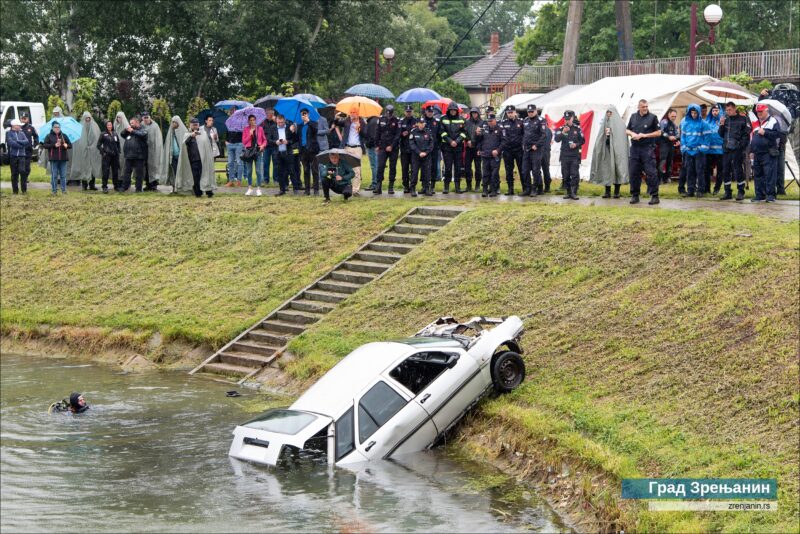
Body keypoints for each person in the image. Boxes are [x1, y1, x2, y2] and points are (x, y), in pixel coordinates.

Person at [625, 99, 661, 205]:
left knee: (651, 172)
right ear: (638, 107)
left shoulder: (653, 117)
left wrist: (644, 135)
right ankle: (635, 195)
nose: (645, 108)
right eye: (643, 107)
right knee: (634, 172)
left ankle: (655, 196)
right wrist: (632, 134)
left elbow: (659, 132)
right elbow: (627, 130)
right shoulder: (633, 117)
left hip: (647, 148)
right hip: (635, 148)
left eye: (646, 106)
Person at [590, 106, 629, 198]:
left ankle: (617, 191)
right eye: (607, 113)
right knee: (606, 169)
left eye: (610, 113)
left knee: (617, 169)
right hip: (606, 151)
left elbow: (622, 140)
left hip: (617, 152)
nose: (608, 115)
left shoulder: (621, 125)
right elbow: (600, 138)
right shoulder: (604, 124)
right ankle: (607, 191)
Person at [717, 101, 750, 201]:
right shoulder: (725, 120)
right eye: (726, 110)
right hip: (726, 148)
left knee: (738, 170)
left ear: (735, 108)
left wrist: (740, 146)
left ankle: (741, 191)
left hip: (737, 149)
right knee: (726, 170)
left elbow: (746, 135)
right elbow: (721, 134)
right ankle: (727, 192)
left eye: (730, 110)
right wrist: (721, 125)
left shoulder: (743, 119)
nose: (728, 112)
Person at [176, 117, 216, 198]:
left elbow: (207, 145)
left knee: (205, 175)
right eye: (193, 125)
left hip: (203, 159)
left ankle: (209, 192)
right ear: (190, 125)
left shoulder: (203, 133)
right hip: (193, 159)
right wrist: (191, 136)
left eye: (196, 125)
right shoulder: (187, 134)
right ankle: (198, 193)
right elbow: (184, 144)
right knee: (195, 177)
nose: (195, 126)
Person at [749, 103, 781, 203]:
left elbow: (778, 134)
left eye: (761, 112)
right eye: (758, 112)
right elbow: (752, 138)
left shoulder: (773, 121)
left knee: (770, 175)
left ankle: (771, 195)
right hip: (757, 153)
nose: (759, 113)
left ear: (766, 111)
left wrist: (765, 132)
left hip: (768, 153)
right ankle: (759, 195)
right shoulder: (755, 123)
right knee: (758, 175)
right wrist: (751, 151)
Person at [679, 103, 710, 198]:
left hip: (699, 151)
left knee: (700, 171)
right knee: (689, 171)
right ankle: (690, 190)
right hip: (688, 151)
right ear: (689, 112)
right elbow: (683, 136)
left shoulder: (704, 124)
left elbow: (707, 137)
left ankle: (701, 190)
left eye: (695, 113)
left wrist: (702, 148)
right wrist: (684, 148)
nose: (694, 115)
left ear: (699, 113)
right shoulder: (685, 123)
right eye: (692, 113)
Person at [554, 110, 584, 200]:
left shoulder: (577, 128)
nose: (567, 121)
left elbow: (583, 140)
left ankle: (574, 192)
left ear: (572, 118)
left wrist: (576, 144)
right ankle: (568, 192)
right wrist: (563, 132)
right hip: (564, 155)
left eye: (568, 119)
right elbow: (556, 139)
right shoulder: (561, 128)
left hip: (574, 155)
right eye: (565, 119)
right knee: (565, 175)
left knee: (574, 174)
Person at [438, 102, 467, 194]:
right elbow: (441, 132)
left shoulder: (462, 119)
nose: (453, 112)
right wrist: (450, 141)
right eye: (451, 110)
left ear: (457, 111)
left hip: (458, 147)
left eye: (455, 110)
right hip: (447, 147)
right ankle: (446, 187)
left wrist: (457, 141)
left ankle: (457, 187)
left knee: (458, 168)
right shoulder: (443, 119)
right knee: (448, 167)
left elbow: (464, 133)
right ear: (449, 110)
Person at [70, 111, 102, 191]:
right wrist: (83, 147)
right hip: (83, 151)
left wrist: (92, 146)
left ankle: (92, 185)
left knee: (92, 168)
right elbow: (77, 141)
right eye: (86, 118)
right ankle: (84, 185)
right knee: (84, 167)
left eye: (89, 118)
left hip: (93, 152)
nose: (87, 120)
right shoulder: (80, 127)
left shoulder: (95, 126)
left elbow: (98, 138)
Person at [270, 113, 299, 195]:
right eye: (278, 122)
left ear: (284, 121)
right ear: (276, 121)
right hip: (278, 153)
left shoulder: (290, 127)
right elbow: (269, 140)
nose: (280, 124)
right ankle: (282, 189)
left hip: (288, 152)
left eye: (281, 122)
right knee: (280, 172)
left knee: (292, 170)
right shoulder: (273, 128)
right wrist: (275, 142)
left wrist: (288, 142)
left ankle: (295, 189)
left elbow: (295, 139)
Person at [521, 104, 547, 196]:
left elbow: (544, 135)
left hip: (536, 149)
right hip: (527, 149)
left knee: (536, 170)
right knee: (524, 170)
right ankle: (527, 188)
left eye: (532, 111)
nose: (530, 113)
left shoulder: (541, 120)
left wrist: (537, 145)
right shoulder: (525, 120)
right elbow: (524, 134)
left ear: (536, 111)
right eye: (529, 112)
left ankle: (535, 188)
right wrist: (523, 144)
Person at [340, 109, 367, 195]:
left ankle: (355, 189)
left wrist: (359, 129)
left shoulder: (362, 122)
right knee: (347, 168)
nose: (352, 114)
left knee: (356, 169)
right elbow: (337, 123)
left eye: (354, 113)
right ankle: (348, 187)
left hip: (357, 148)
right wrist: (336, 117)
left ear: (358, 114)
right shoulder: (347, 121)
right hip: (347, 147)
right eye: (351, 113)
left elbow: (366, 134)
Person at [476, 113, 503, 197]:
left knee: (494, 173)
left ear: (495, 120)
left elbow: (504, 142)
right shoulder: (484, 129)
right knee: (485, 173)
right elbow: (480, 141)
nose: (489, 122)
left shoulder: (500, 129)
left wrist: (498, 150)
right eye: (488, 121)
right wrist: (479, 149)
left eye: (491, 121)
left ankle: (493, 190)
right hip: (485, 154)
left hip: (495, 155)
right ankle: (484, 190)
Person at [119, 116, 149, 192]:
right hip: (129, 155)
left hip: (139, 156)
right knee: (127, 173)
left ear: (137, 122)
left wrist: (132, 131)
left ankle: (138, 189)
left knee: (139, 174)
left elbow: (143, 135)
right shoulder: (129, 130)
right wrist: (127, 129)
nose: (130, 124)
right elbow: (122, 134)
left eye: (132, 123)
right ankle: (125, 187)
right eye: (130, 123)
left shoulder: (143, 129)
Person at [500, 105, 524, 195]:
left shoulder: (521, 122)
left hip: (518, 150)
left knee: (522, 169)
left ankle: (525, 188)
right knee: (508, 170)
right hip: (508, 150)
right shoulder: (503, 123)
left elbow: (524, 135)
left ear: (515, 112)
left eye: (511, 112)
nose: (510, 114)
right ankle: (510, 189)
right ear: (506, 113)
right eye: (508, 113)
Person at [42, 121, 71, 194]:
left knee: (63, 175)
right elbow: (45, 145)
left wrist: (66, 146)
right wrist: (54, 145)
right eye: (55, 127)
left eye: (58, 127)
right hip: (53, 159)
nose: (57, 128)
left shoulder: (64, 136)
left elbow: (70, 145)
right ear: (52, 128)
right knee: (54, 175)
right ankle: (54, 191)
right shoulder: (49, 136)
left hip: (63, 158)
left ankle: (64, 190)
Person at [242, 114, 267, 196]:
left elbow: (264, 140)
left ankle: (258, 188)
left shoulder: (260, 129)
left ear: (256, 120)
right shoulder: (246, 129)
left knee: (258, 171)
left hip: (258, 151)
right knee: (249, 171)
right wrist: (250, 134)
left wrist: (263, 145)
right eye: (251, 120)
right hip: (249, 152)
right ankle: (250, 188)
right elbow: (244, 142)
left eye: (253, 120)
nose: (252, 121)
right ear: (248, 121)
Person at [409, 115, 434, 197]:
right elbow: (412, 144)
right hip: (416, 156)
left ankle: (426, 188)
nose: (422, 124)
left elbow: (431, 144)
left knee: (426, 172)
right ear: (417, 123)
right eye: (420, 123)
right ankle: (412, 188)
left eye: (423, 123)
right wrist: (419, 152)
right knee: (414, 172)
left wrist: (426, 152)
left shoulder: (428, 132)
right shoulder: (413, 132)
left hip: (426, 156)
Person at [297, 108, 320, 195]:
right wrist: (292, 130)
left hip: (313, 150)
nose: (304, 115)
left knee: (315, 170)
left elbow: (315, 131)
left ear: (308, 114)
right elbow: (297, 138)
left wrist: (308, 121)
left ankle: (316, 190)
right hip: (303, 151)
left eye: (305, 114)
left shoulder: (313, 123)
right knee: (306, 171)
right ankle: (307, 190)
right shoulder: (299, 126)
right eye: (302, 114)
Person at [6, 119, 31, 194]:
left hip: (22, 156)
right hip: (13, 156)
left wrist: (17, 141)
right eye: (19, 125)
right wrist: (21, 145)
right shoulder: (9, 133)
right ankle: (15, 191)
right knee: (14, 174)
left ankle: (24, 190)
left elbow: (26, 141)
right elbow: (10, 143)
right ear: (14, 126)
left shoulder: (22, 133)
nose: (20, 126)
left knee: (22, 171)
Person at [97, 120, 121, 192]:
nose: (109, 126)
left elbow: (118, 143)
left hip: (115, 156)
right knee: (105, 171)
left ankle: (116, 186)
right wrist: (103, 153)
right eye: (108, 125)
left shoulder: (115, 133)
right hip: (106, 156)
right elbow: (98, 145)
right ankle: (104, 187)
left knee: (115, 171)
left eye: (110, 125)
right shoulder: (103, 134)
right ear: (106, 126)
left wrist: (118, 151)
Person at [141, 112, 164, 191]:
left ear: (150, 117)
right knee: (146, 168)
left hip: (154, 150)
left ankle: (154, 185)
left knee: (154, 167)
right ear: (142, 118)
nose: (146, 119)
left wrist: (157, 149)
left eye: (147, 117)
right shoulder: (142, 125)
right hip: (144, 150)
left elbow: (158, 139)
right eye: (144, 118)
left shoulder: (155, 126)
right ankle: (148, 184)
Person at [704, 105, 724, 194]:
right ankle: (707, 188)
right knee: (706, 171)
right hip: (708, 151)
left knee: (720, 171)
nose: (715, 112)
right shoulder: (707, 121)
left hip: (720, 151)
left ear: (720, 111)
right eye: (713, 111)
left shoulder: (723, 121)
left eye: (716, 110)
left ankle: (717, 189)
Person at [421, 105, 441, 191]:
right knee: (424, 167)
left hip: (434, 148)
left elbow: (439, 135)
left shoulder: (436, 122)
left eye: (431, 112)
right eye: (429, 111)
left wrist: (438, 145)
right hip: (423, 148)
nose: (430, 113)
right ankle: (424, 186)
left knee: (433, 167)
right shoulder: (422, 121)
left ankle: (432, 186)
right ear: (426, 112)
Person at [464, 107, 483, 192]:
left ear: (478, 113)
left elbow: (483, 136)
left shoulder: (482, 122)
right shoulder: (467, 122)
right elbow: (464, 132)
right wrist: (467, 140)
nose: (474, 114)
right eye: (472, 113)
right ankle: (468, 185)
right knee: (467, 166)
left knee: (478, 167)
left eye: (475, 113)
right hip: (469, 147)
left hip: (477, 148)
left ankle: (478, 184)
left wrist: (478, 143)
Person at [399, 105, 416, 194]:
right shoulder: (401, 121)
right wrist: (402, 134)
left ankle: (413, 186)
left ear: (412, 112)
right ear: (404, 112)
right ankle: (406, 185)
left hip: (413, 149)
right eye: (407, 111)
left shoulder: (416, 121)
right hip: (404, 149)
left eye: (410, 111)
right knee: (404, 168)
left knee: (414, 169)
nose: (408, 113)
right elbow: (397, 134)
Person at [658, 108, 679, 183]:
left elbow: (677, 134)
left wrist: (677, 139)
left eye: (675, 116)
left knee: (670, 161)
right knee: (663, 160)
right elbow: (660, 131)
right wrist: (668, 136)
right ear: (668, 115)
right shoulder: (664, 122)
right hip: (664, 144)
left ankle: (667, 178)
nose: (674, 118)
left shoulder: (674, 124)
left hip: (671, 145)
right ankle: (659, 178)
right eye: (672, 116)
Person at [364, 114, 379, 191]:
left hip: (372, 147)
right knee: (375, 165)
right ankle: (376, 183)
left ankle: (375, 183)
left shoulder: (372, 121)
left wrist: (368, 144)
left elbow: (373, 136)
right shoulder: (373, 120)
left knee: (374, 165)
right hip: (373, 146)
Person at [261, 108, 276, 185]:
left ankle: (275, 179)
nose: (270, 115)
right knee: (266, 163)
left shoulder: (276, 122)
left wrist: (275, 121)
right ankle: (266, 179)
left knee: (275, 163)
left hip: (274, 145)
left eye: (272, 114)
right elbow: (261, 133)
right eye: (269, 114)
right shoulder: (263, 122)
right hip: (266, 146)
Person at [540, 113, 553, 193]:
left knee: (540, 169)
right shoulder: (549, 130)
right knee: (546, 169)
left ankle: (542, 186)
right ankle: (547, 186)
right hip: (546, 151)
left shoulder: (543, 130)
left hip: (543, 151)